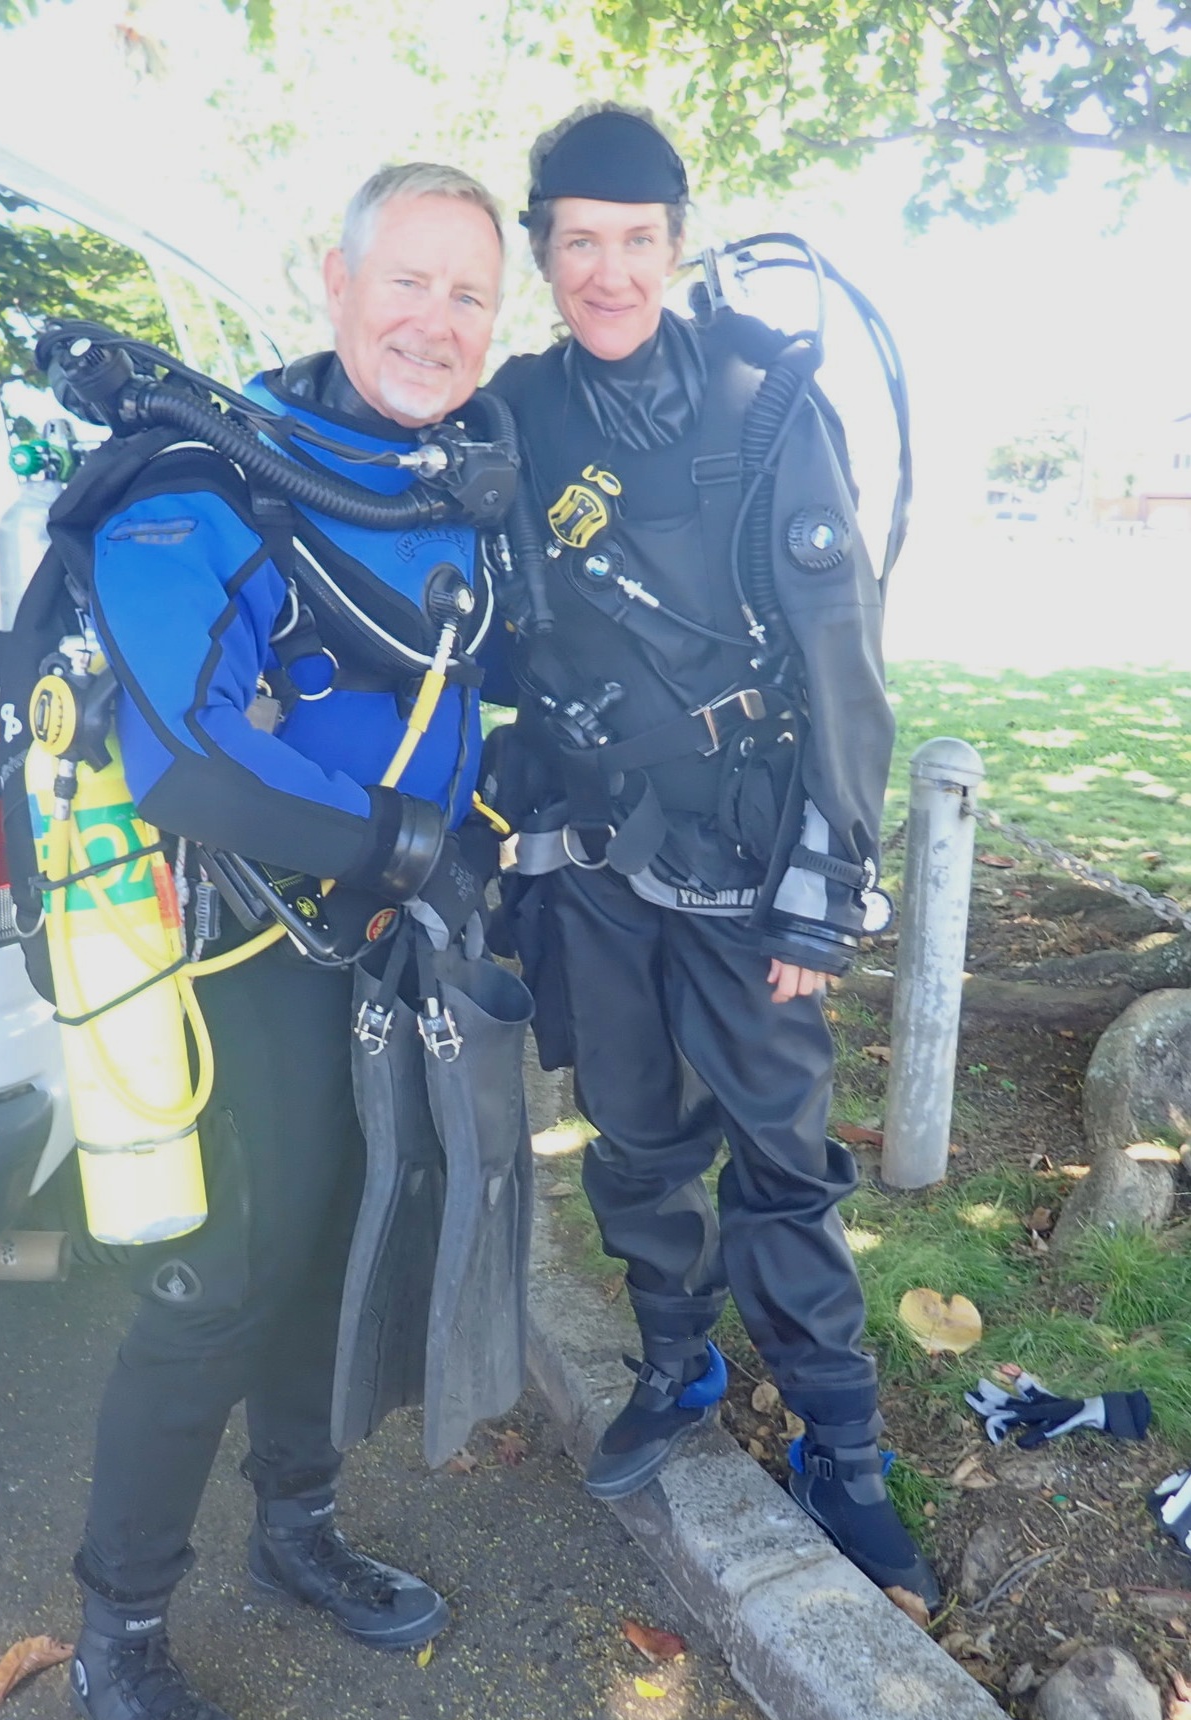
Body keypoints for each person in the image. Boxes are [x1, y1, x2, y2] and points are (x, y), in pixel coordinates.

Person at [65, 163, 507, 1720]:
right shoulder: (208, 476)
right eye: (409, 281)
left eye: (470, 294)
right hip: (229, 941)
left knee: (338, 1230)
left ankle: (298, 1527)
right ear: (332, 284)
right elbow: (190, 759)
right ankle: (119, 1626)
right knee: (223, 1276)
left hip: (371, 944)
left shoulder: (454, 479)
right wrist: (400, 843)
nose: (435, 321)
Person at [487, 104, 939, 1605]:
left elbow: (841, 662)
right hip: (594, 866)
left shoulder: (762, 397)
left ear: (674, 244)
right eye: (577, 243)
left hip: (755, 865)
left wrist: (825, 881)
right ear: (544, 250)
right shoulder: (511, 411)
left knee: (783, 1164)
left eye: (634, 241)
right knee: (630, 1136)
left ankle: (840, 1448)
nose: (606, 271)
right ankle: (675, 1366)